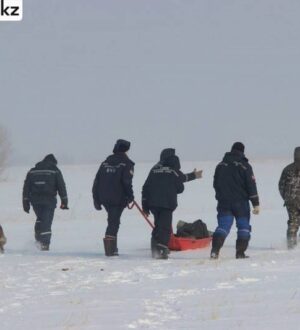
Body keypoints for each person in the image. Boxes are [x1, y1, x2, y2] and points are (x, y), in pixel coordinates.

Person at [142, 148, 203, 259]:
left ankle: (155, 249)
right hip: (167, 204)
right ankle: (161, 250)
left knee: (158, 225)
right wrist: (193, 176)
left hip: (153, 204)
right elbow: (180, 186)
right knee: (165, 227)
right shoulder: (173, 170)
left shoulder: (154, 169)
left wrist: (144, 206)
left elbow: (146, 187)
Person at [211, 142, 260, 259]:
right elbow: (251, 185)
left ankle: (215, 251)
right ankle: (240, 253)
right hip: (241, 203)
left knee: (223, 226)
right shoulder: (245, 166)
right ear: (242, 152)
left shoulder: (220, 165)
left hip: (224, 202)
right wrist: (256, 204)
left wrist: (220, 196)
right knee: (243, 226)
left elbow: (215, 184)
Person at [92, 139, 134, 256]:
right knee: (113, 222)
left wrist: (96, 199)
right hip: (118, 198)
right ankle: (110, 249)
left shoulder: (105, 163)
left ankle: (112, 248)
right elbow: (126, 182)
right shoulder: (126, 163)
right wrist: (130, 196)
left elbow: (96, 181)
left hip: (104, 197)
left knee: (112, 220)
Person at [22, 154, 68, 251]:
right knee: (46, 221)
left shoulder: (33, 170)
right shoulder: (55, 170)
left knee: (40, 219)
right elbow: (61, 186)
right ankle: (44, 245)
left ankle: (38, 241)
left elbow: (26, 187)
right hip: (49, 200)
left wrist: (25, 202)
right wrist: (64, 201)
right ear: (54, 162)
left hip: (35, 201)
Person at [279, 147, 300, 249]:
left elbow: (281, 186)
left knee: (293, 222)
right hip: (291, 200)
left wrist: (286, 197)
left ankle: (291, 246)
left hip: (291, 201)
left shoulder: (287, 169)